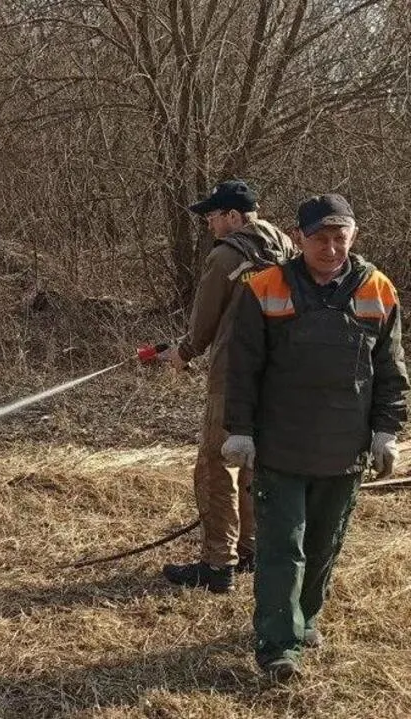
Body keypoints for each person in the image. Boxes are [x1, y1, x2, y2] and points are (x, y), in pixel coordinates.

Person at [223, 194, 408, 681]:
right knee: (284, 547)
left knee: (324, 546)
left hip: (344, 450)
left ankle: (303, 622)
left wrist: (386, 432)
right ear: (300, 237)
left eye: (339, 238)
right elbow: (241, 369)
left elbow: (390, 371)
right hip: (281, 447)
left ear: (354, 237)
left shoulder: (379, 290)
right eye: (320, 238)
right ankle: (278, 646)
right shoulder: (262, 287)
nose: (330, 248)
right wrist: (239, 431)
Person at [160, 180, 295, 593]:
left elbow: (204, 320)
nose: (209, 224)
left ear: (235, 217)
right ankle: (251, 549)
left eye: (213, 216)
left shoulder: (225, 256)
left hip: (232, 375)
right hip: (276, 376)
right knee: (256, 462)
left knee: (215, 465)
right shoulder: (288, 247)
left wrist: (183, 352)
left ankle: (218, 565)